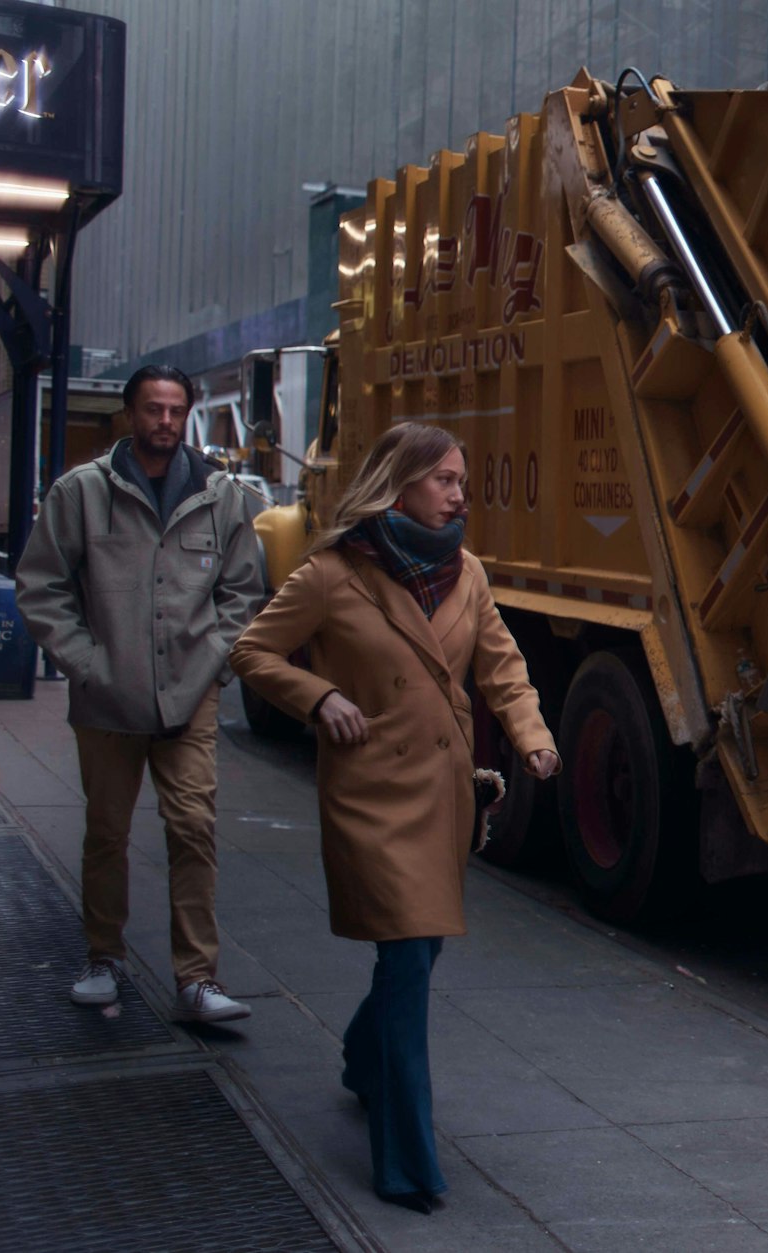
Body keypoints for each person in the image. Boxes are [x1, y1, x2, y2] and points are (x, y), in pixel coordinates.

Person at [230, 422, 556, 1213]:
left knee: (419, 955)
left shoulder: (467, 572)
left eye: (462, 481)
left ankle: (357, 1054)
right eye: (444, 479)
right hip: (372, 794)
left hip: (444, 792)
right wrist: (321, 696)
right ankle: (407, 1162)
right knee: (408, 963)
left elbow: (502, 667)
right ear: (400, 482)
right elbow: (253, 652)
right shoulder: (333, 573)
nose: (459, 494)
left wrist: (533, 737)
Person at [17, 364, 265, 1023]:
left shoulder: (221, 496)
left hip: (191, 696)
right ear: (130, 413)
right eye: (152, 409)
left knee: (194, 827)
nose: (164, 421)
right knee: (107, 830)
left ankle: (198, 978)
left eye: (175, 410)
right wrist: (84, 661)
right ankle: (104, 956)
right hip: (107, 696)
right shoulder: (81, 494)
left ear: (186, 416)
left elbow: (244, 592)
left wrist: (215, 662)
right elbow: (41, 585)